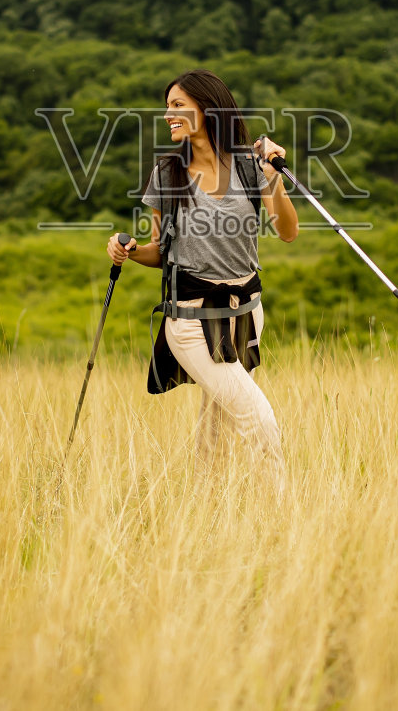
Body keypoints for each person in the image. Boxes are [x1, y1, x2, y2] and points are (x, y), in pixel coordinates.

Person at [106, 68, 298, 489]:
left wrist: (273, 182)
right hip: (191, 321)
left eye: (178, 106)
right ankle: (286, 524)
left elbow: (287, 231)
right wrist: (131, 251)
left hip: (247, 313)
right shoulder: (167, 174)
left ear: (206, 110)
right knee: (259, 421)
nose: (168, 114)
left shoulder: (250, 167)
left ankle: (204, 518)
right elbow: (162, 253)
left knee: (218, 431)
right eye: (167, 107)